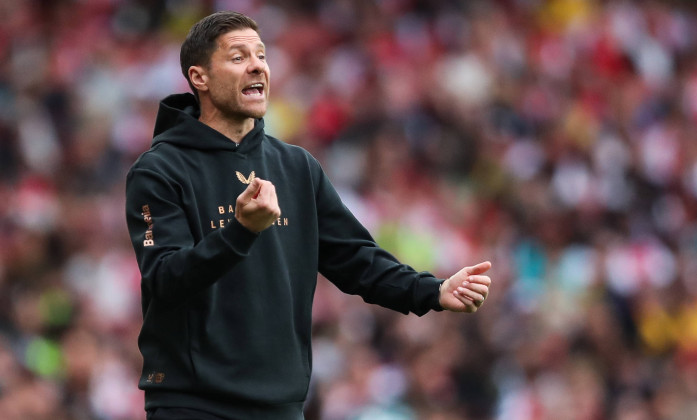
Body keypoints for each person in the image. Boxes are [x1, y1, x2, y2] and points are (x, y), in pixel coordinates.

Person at [125, 11, 492, 420]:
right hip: (193, 404)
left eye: (261, 55)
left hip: (280, 405)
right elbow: (165, 278)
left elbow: (356, 260)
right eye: (237, 56)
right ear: (199, 78)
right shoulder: (159, 170)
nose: (257, 65)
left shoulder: (296, 167)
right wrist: (241, 231)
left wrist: (433, 291)